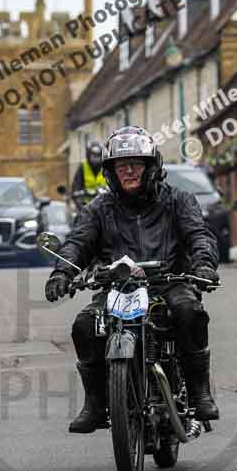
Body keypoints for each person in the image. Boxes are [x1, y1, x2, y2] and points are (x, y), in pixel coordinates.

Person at [45, 126, 220, 434]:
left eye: (136, 164)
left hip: (169, 282)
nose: (128, 170)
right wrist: (62, 272)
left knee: (189, 312)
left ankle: (198, 392)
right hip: (118, 286)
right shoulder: (99, 208)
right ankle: (96, 403)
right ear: (110, 171)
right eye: (120, 165)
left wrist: (203, 265)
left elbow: (199, 236)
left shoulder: (179, 201)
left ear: (151, 167)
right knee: (85, 325)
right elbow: (78, 243)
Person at [70, 141, 107, 211]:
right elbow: (75, 187)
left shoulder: (106, 167)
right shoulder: (83, 167)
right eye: (93, 156)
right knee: (77, 219)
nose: (96, 159)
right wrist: (80, 206)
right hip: (86, 206)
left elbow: (112, 183)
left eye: (98, 156)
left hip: (104, 205)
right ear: (88, 155)